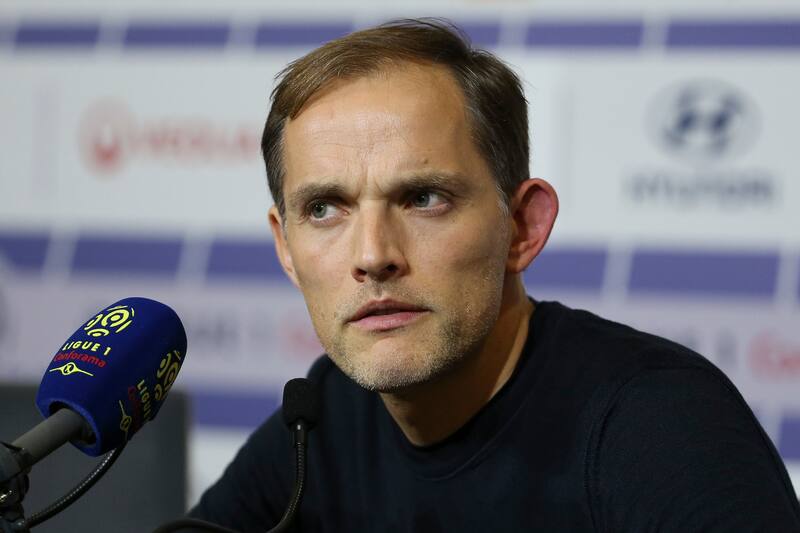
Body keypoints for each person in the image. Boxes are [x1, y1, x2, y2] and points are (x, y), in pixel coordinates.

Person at [190, 19, 800, 531]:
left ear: (523, 227)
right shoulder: (323, 418)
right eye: (324, 209)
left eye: (424, 198)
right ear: (287, 248)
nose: (373, 255)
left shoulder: (661, 423)